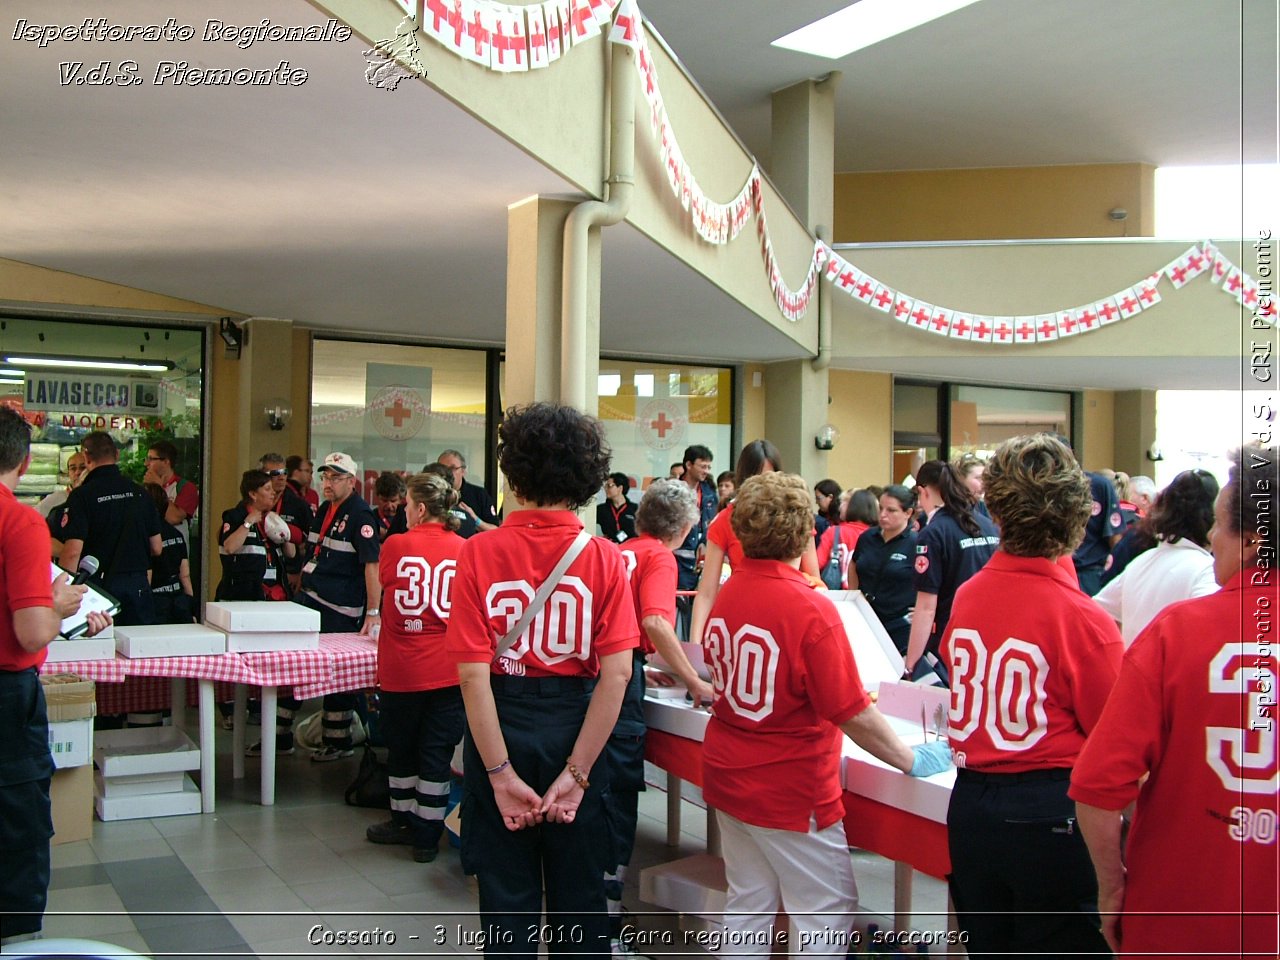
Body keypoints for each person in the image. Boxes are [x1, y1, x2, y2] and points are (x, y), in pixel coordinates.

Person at [701, 472, 952, 957]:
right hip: (790, 789)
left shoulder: (729, 594)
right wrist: (908, 758)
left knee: (748, 904)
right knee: (824, 912)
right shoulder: (809, 607)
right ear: (802, 532)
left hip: (729, 772)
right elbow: (850, 710)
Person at [446, 402, 638, 959]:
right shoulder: (604, 556)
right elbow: (618, 673)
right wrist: (577, 774)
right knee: (582, 902)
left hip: (499, 722)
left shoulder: (478, 551)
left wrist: (500, 773)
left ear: (513, 472)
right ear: (585, 477)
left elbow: (471, 675)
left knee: (506, 903)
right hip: (579, 723)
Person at [1072, 445, 1278, 959]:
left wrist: (1112, 888)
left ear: (1252, 541)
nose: (1210, 537)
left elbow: (1098, 786)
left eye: (1219, 525)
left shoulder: (1179, 631)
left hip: (1182, 912)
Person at [941, 433, 1122, 957]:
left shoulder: (970, 594)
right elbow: (1112, 745)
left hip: (972, 804)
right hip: (1049, 811)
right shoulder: (1084, 619)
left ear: (995, 509)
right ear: (1076, 516)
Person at [0, 405, 105, 947]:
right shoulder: (15, 519)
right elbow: (31, 631)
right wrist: (57, 603)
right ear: (21, 461)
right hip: (6, 696)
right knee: (17, 823)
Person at [605, 479, 709, 949]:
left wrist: (650, 661)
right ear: (685, 527)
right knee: (620, 790)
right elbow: (654, 621)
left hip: (600, 673)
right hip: (620, 684)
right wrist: (694, 680)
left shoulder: (616, 550)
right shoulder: (661, 558)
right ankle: (606, 914)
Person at [364, 472, 466, 863]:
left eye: (407, 505)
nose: (404, 511)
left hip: (403, 669)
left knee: (402, 752)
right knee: (436, 754)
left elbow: (389, 587)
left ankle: (402, 821)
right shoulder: (464, 548)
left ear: (421, 509)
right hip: (447, 669)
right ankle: (427, 836)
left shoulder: (395, 545)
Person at [282, 452, 381, 761]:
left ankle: (337, 741)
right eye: (325, 477)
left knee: (337, 676)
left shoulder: (361, 515)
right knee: (293, 665)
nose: (327, 483)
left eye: (335, 478)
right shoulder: (325, 508)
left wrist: (373, 613)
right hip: (310, 600)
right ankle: (279, 734)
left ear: (351, 482)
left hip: (339, 609)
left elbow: (371, 567)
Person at [690, 440, 820, 646]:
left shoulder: (796, 516)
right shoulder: (726, 520)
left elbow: (814, 579)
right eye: (757, 478)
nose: (765, 486)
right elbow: (706, 592)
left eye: (771, 477)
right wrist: (695, 644)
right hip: (745, 615)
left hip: (789, 615)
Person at [1093, 468, 1219, 645]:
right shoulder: (1206, 571)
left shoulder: (1140, 564)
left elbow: (1093, 612)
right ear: (1212, 519)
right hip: (1175, 670)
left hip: (1133, 668)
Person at [902, 459, 999, 682]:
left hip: (949, 638)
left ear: (922, 492)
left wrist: (911, 664)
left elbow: (926, 606)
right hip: (988, 634)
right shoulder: (987, 525)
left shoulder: (934, 532)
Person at [61, 431, 162, 626]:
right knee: (138, 651)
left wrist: (65, 593)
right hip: (137, 587)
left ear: (86, 457)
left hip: (97, 590)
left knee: (99, 649)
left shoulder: (82, 496)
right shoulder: (140, 493)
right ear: (116, 454)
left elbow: (73, 552)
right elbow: (157, 547)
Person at [847, 485, 918, 655]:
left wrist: (924, 610)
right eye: (881, 508)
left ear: (908, 513)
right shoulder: (867, 537)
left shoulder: (917, 543)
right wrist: (853, 595)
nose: (883, 514)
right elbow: (854, 563)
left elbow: (933, 579)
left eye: (891, 510)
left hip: (899, 623)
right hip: (867, 619)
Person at [216, 470, 295, 603]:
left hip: (273, 595)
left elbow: (291, 553)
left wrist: (285, 534)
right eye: (267, 489)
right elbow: (229, 547)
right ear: (253, 494)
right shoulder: (235, 517)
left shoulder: (271, 520)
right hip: (241, 597)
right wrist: (248, 523)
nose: (273, 493)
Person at [1066, 441, 1124, 595]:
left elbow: (1115, 537)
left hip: (1091, 573)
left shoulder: (1099, 486)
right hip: (1056, 571)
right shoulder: (1043, 490)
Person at [673, 444, 717, 640]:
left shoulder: (709, 492)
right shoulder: (673, 490)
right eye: (702, 466)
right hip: (676, 558)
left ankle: (696, 646)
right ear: (688, 465)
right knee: (678, 606)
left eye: (709, 467)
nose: (706, 471)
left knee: (700, 604)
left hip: (702, 561)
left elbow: (713, 522)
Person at [144, 482, 194, 623]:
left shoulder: (147, 537)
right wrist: (191, 606)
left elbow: (147, 578)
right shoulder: (177, 534)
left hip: (157, 603)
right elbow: (185, 575)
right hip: (178, 600)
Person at [143, 439, 199, 551]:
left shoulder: (186, 487)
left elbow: (174, 517)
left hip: (175, 552)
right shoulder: (146, 488)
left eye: (151, 459)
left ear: (166, 462)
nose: (146, 464)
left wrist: (158, 488)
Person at [816, 487, 876, 589]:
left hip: (838, 596)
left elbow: (817, 564)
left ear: (853, 506)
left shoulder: (834, 532)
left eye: (843, 502)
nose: (839, 508)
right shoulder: (876, 536)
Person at [437, 449, 500, 538]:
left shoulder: (479, 494)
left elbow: (495, 530)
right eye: (442, 469)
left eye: (452, 468)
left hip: (471, 547)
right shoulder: (432, 494)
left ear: (463, 471)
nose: (447, 473)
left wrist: (475, 519)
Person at [41, 451, 87, 562]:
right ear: (68, 473)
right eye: (73, 468)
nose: (78, 472)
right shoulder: (56, 499)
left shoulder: (96, 498)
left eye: (82, 467)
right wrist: (66, 552)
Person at [596, 472, 637, 543]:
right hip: (610, 547)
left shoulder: (634, 509)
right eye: (605, 486)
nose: (606, 489)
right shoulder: (601, 509)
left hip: (631, 547)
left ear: (620, 488)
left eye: (609, 486)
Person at [373, 470, 408, 541]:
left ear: (401, 499)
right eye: (384, 500)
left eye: (393, 501)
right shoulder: (370, 518)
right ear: (377, 498)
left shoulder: (408, 519)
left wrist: (386, 534)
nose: (389, 506)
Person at [812, 478, 841, 543]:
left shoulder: (842, 516)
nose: (816, 502)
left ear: (830, 497)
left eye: (819, 498)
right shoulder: (821, 517)